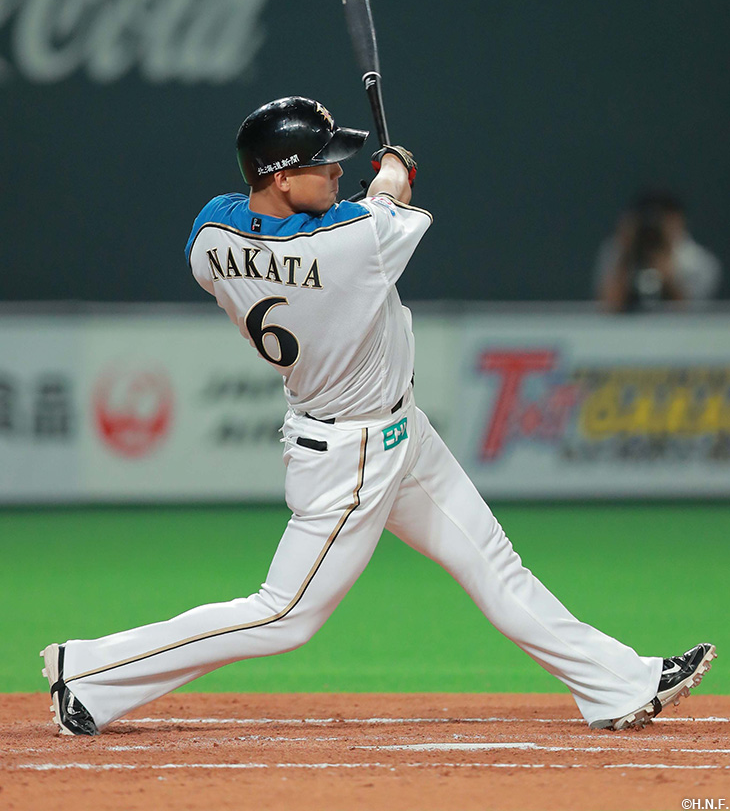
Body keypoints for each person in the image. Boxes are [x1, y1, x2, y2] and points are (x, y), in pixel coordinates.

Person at [42, 97, 715, 736]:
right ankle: (91, 672)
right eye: (322, 162)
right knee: (281, 615)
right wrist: (394, 166)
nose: (337, 171)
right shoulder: (350, 244)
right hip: (351, 453)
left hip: (397, 433)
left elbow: (304, 218)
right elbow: (386, 199)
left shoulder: (209, 234)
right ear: (279, 178)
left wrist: (377, 187)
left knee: (493, 563)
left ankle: (617, 683)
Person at [594, 189, 723, 311]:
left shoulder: (699, 261)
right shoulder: (616, 251)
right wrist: (626, 256)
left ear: (679, 220)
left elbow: (693, 315)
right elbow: (607, 309)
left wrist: (667, 273)